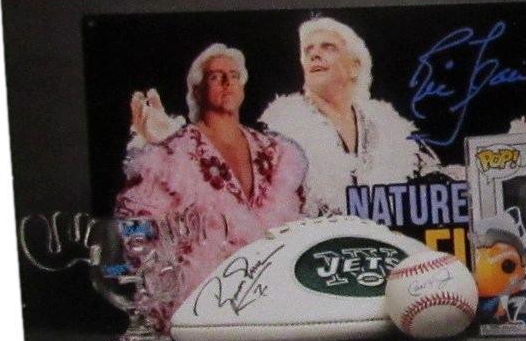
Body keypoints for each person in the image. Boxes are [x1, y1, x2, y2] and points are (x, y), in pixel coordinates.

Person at [117, 44, 307, 315]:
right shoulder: (171, 154)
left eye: (234, 75)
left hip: (274, 302)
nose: (228, 82)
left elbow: (300, 225)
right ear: (197, 90)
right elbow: (135, 230)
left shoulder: (276, 152)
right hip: (201, 306)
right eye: (216, 77)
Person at [260, 17, 445, 215]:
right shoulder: (279, 134)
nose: (314, 54)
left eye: (328, 47)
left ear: (354, 67)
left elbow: (437, 185)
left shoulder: (391, 129)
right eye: (308, 50)